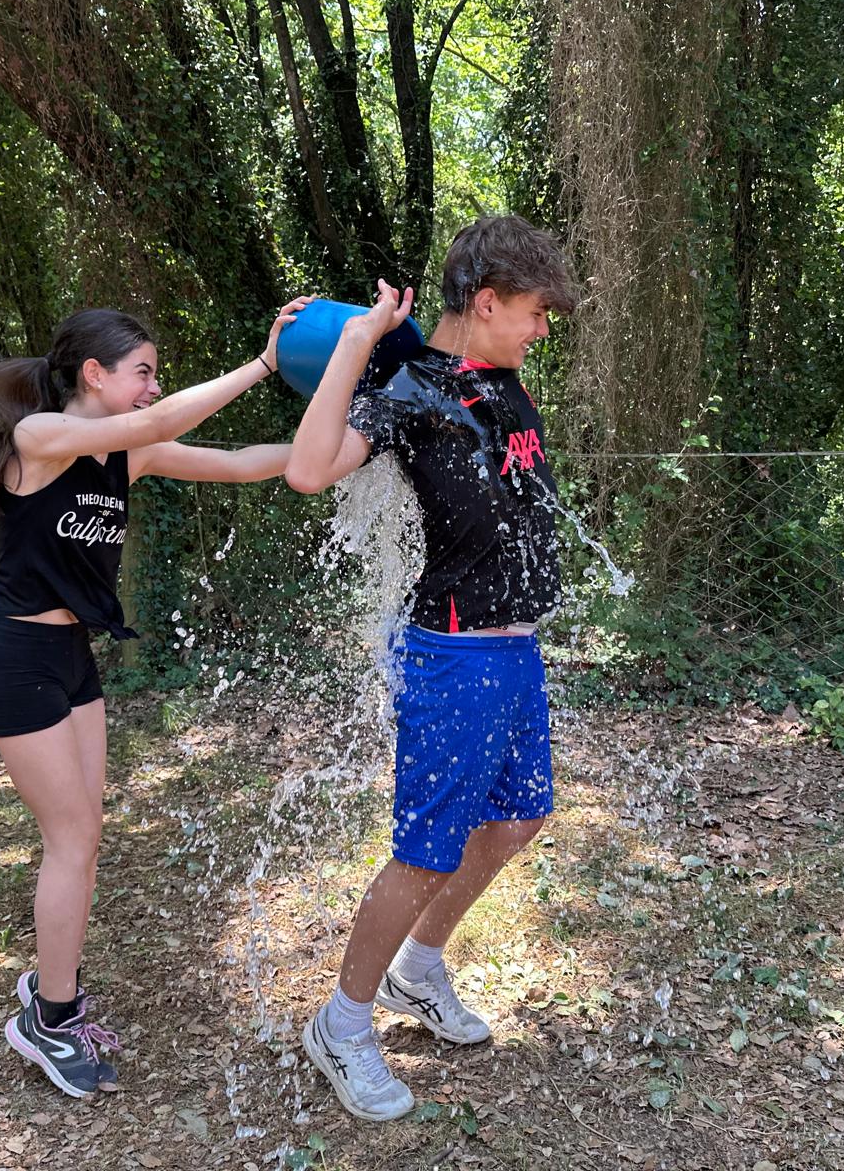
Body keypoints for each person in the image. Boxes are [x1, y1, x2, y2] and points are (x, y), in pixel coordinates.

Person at [0, 300, 308, 1097]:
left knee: (85, 840)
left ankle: (51, 991)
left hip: (73, 659)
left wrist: (346, 448)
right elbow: (156, 422)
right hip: (16, 661)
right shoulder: (39, 438)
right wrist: (263, 364)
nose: (154, 386)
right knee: (71, 840)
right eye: (143, 371)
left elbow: (240, 462)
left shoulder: (128, 454)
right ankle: (49, 1022)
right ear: (94, 374)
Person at [285, 215, 579, 1121]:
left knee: (521, 815)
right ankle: (340, 1024)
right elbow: (309, 469)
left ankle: (418, 969)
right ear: (486, 303)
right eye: (534, 313)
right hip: (454, 653)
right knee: (424, 853)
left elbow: (455, 369)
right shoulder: (408, 392)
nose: (542, 330)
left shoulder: (495, 378)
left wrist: (394, 335)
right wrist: (357, 340)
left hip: (515, 647)